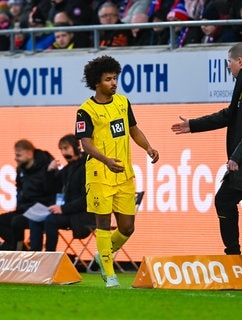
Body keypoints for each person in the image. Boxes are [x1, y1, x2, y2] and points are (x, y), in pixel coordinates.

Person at [171, 42, 242, 291]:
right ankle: (233, 257)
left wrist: (237, 156)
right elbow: (229, 115)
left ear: (240, 62)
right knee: (224, 201)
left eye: (229, 63)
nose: (228, 67)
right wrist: (193, 125)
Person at [75, 55, 159, 287]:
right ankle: (110, 275)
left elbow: (133, 129)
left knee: (127, 228)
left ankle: (103, 256)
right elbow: (86, 143)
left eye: (115, 78)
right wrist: (105, 161)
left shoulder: (123, 102)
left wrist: (148, 147)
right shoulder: (85, 111)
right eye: (108, 79)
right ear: (96, 83)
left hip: (123, 173)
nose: (114, 83)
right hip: (99, 173)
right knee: (103, 224)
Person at [28, 134, 95, 251]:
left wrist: (63, 209)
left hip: (83, 215)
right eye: (61, 150)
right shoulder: (67, 169)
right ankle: (36, 258)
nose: (63, 153)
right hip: (69, 212)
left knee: (50, 220)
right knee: (34, 219)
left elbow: (87, 199)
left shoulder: (88, 167)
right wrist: (49, 172)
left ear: (77, 147)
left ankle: (49, 257)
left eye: (66, 148)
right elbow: (51, 189)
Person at [0, 139, 58, 251]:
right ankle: (17, 248)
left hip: (42, 209)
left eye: (19, 155)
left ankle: (18, 249)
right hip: (24, 209)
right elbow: (19, 189)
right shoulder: (21, 169)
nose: (16, 158)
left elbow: (51, 190)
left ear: (30, 153)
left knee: (17, 221)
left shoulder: (47, 167)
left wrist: (49, 173)